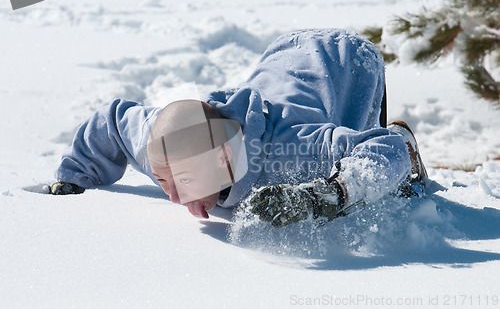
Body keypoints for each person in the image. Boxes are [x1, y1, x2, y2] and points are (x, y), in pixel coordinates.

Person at [50, 29, 427, 227]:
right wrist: (76, 175)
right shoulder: (167, 150)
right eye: (164, 182)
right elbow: (115, 120)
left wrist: (328, 194)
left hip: (347, 65)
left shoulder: (290, 149)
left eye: (182, 182)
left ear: (223, 156)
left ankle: (411, 149)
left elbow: (380, 148)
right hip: (287, 50)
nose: (174, 199)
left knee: (386, 186)